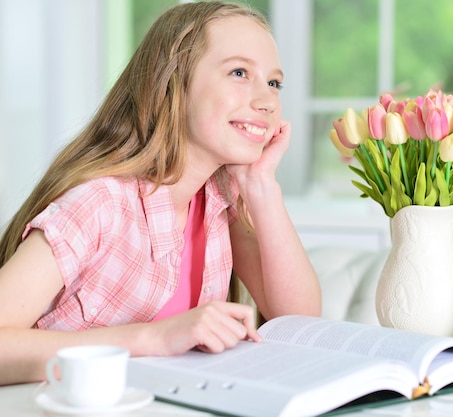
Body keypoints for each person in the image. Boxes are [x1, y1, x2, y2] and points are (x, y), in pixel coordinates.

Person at [0, 1, 321, 386]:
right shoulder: (99, 203)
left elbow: (302, 324)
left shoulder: (219, 202)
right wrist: (155, 337)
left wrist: (261, 184)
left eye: (273, 83)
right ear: (172, 83)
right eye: (239, 72)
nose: (267, 101)